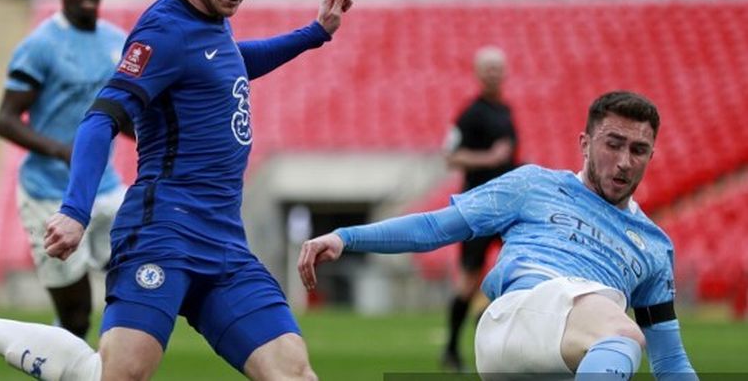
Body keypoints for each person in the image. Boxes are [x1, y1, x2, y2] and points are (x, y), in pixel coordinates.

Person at [0, 0, 352, 381]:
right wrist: (75, 212)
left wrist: (315, 33)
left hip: (224, 240)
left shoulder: (212, 24)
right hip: (162, 233)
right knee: (119, 376)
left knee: (295, 375)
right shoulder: (162, 30)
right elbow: (101, 117)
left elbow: (231, 64)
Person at [298, 91, 698, 379]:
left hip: (569, 353)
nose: (625, 162)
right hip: (517, 318)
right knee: (623, 334)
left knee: (617, 337)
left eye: (639, 150)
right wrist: (346, 237)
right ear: (585, 143)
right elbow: (435, 227)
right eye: (613, 144)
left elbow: (670, 362)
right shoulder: (533, 185)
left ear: (651, 155)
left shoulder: (655, 247)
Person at [0, 0, 130, 339]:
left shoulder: (116, 42)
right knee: (76, 318)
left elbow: (122, 114)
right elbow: (5, 119)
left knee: (137, 280)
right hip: (49, 194)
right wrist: (63, 151)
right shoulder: (40, 46)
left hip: (105, 189)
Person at [441, 46, 518, 371]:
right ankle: (451, 348)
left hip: (508, 207)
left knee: (515, 269)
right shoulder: (470, 113)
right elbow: (450, 156)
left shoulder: (506, 110)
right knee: (469, 279)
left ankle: (492, 330)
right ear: (478, 73)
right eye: (487, 69)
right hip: (478, 207)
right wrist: (489, 157)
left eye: (497, 69)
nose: (493, 74)